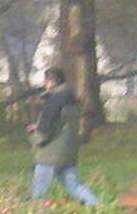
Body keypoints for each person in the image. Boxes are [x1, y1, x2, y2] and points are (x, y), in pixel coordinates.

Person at [27, 67, 97, 206]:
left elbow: (46, 127)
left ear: (51, 82)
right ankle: (98, 207)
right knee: (75, 187)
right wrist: (39, 125)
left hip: (50, 155)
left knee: (39, 192)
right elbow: (62, 123)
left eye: (46, 81)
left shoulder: (54, 100)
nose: (45, 84)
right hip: (68, 153)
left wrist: (35, 138)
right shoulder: (71, 99)